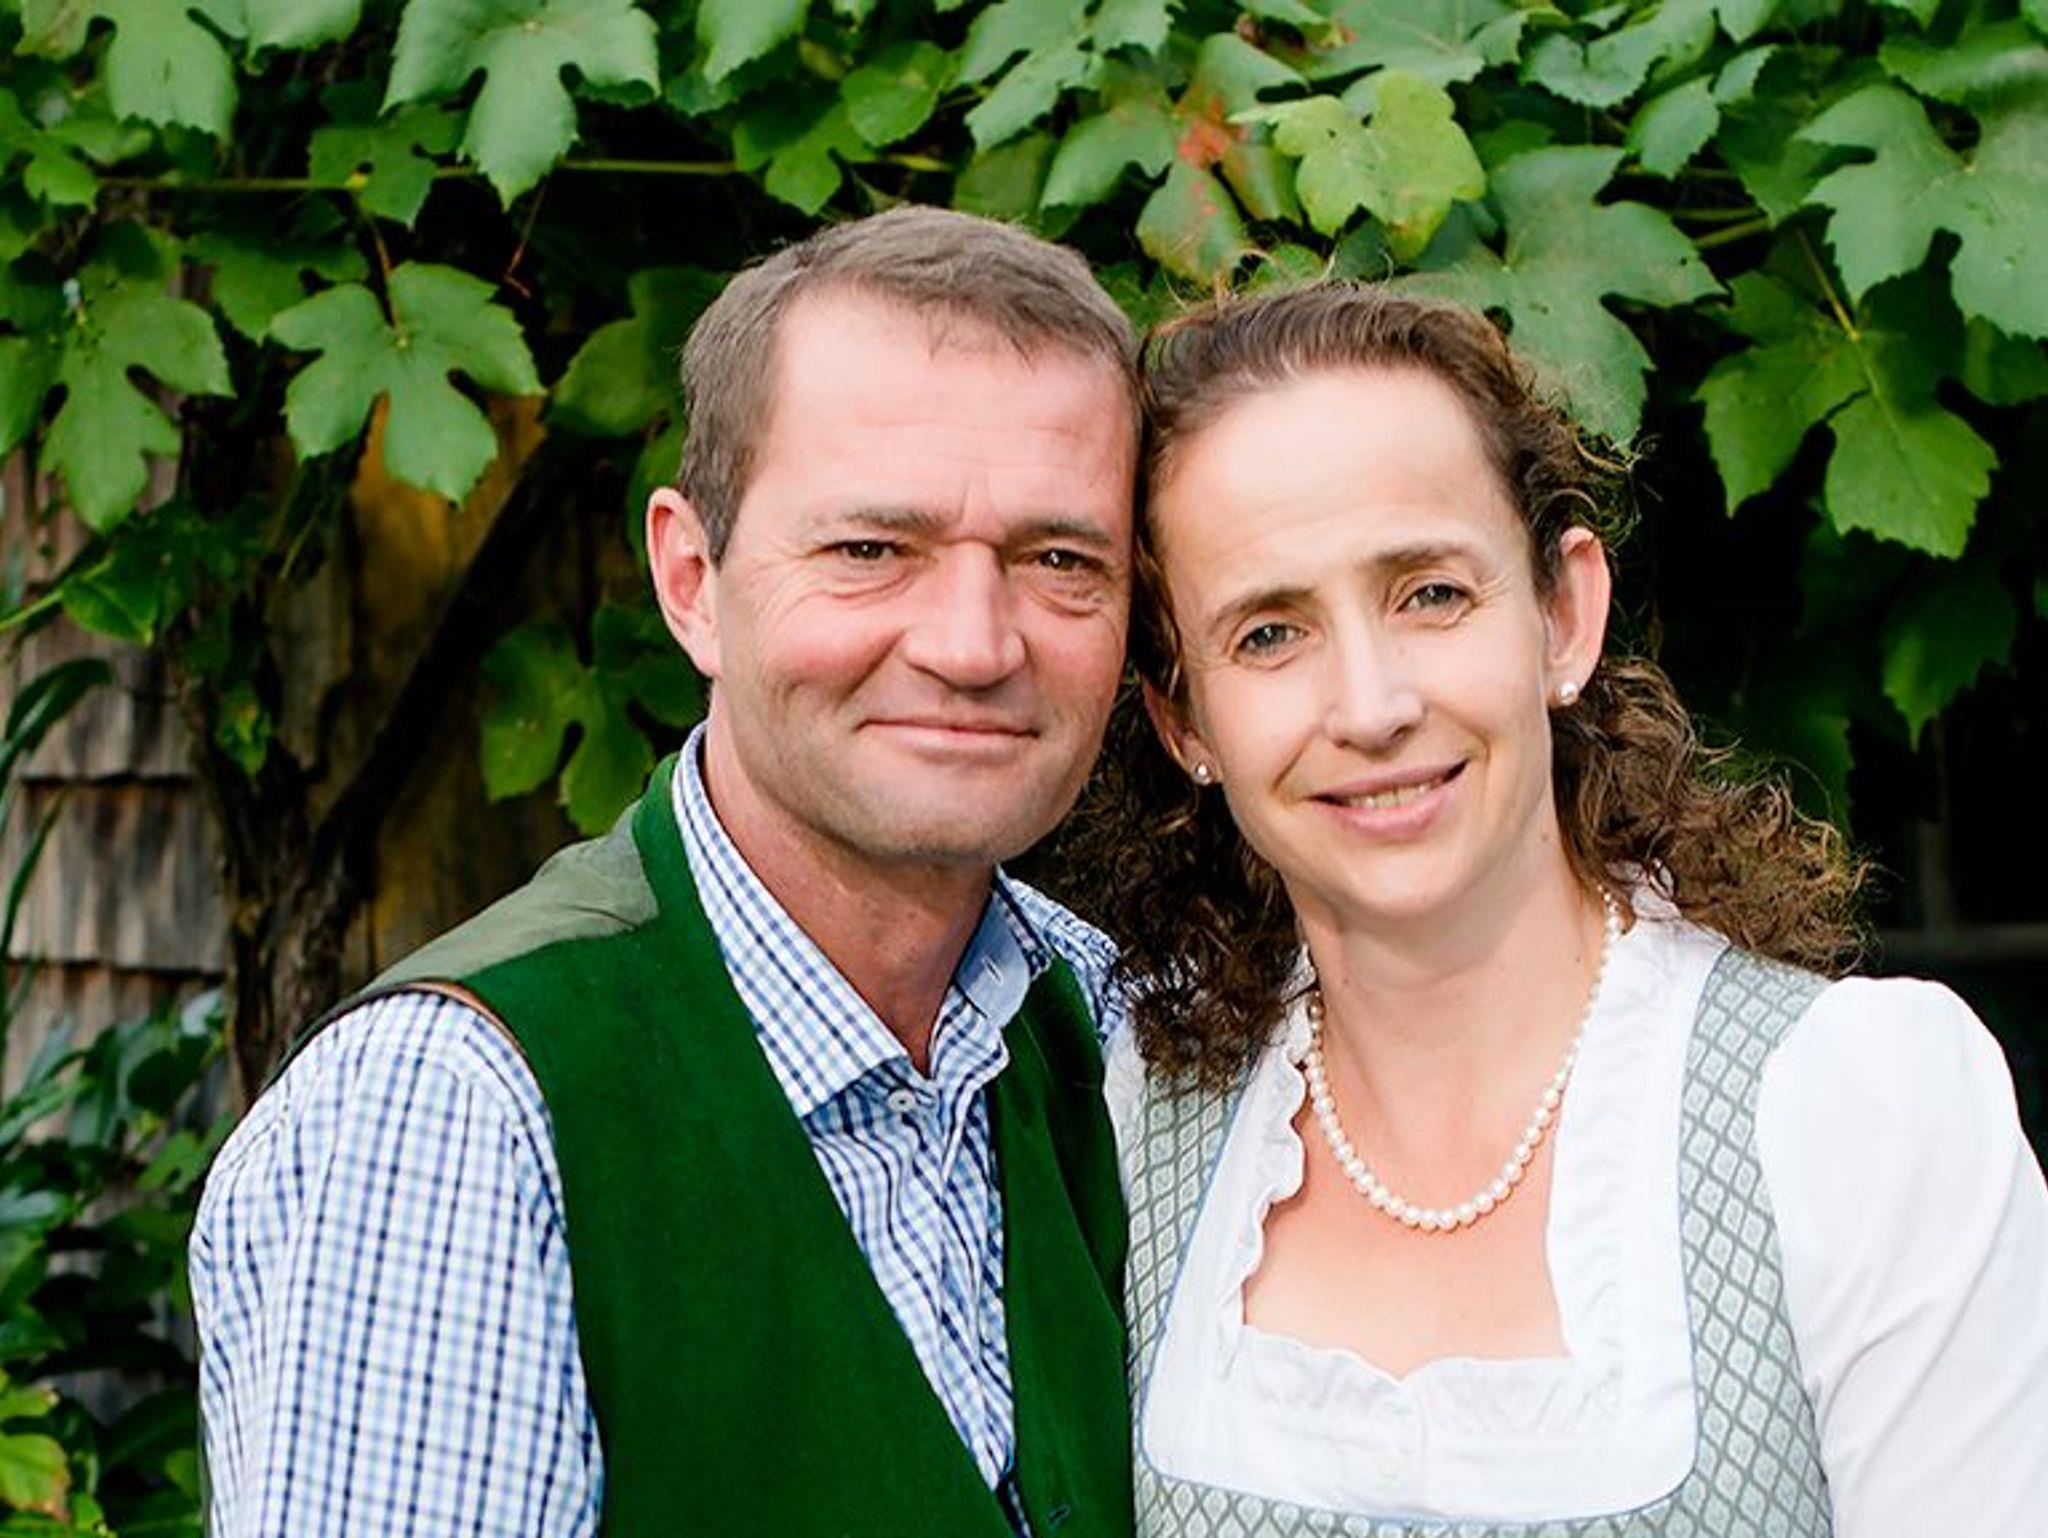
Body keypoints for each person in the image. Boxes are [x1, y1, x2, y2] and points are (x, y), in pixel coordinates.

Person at [190, 206, 1142, 1538]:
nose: (974, 644)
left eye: (1059, 560)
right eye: (871, 550)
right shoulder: (457, 1113)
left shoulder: (1103, 1017)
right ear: (692, 580)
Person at [1076, 283, 2048, 1535]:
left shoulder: (1855, 1114)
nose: (1370, 706)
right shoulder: (1131, 1113)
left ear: (1560, 615)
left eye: (1429, 592)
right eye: (1268, 632)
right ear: (1183, 723)